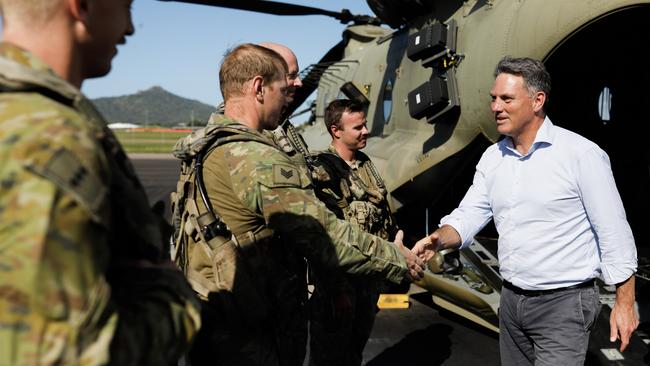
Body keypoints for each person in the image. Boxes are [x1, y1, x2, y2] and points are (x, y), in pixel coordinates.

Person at [171, 43, 434, 366]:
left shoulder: (208, 142)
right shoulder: (255, 158)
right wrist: (397, 259)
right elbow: (325, 236)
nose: (290, 95)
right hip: (250, 336)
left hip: (219, 318)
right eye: (284, 87)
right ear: (258, 88)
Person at [0, 0, 201, 365]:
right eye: (127, 6)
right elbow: (62, 355)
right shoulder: (51, 136)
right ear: (83, 6)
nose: (130, 28)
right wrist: (174, 297)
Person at [428, 56, 638, 365]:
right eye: (494, 98)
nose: (495, 107)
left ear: (537, 100)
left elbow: (614, 232)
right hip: (511, 301)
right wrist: (438, 239)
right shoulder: (493, 157)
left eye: (506, 99)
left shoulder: (581, 155)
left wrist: (624, 302)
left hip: (564, 304)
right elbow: (469, 214)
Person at [308, 99, 398, 366]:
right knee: (328, 356)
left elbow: (382, 216)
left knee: (354, 352)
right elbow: (324, 237)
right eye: (358, 127)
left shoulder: (365, 166)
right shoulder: (322, 170)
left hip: (367, 283)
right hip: (338, 284)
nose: (366, 131)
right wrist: (336, 289)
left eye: (365, 124)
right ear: (336, 131)